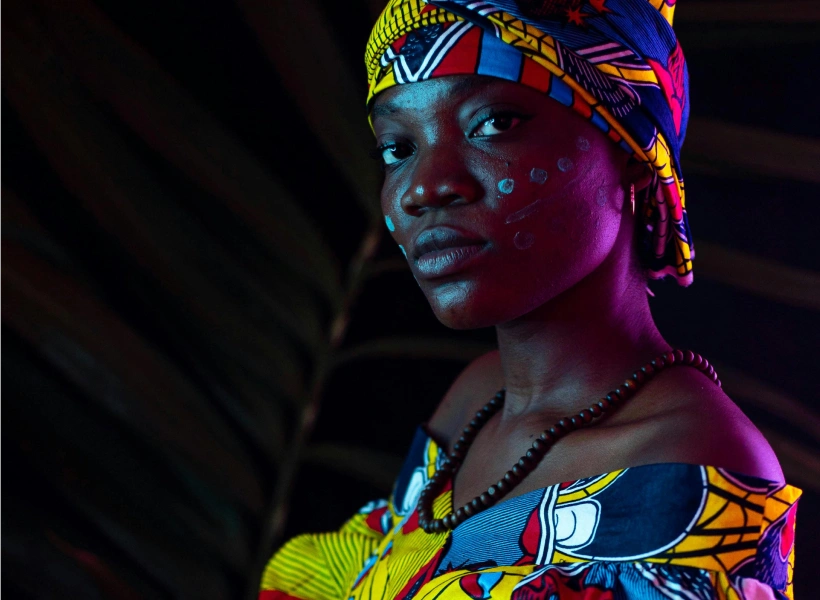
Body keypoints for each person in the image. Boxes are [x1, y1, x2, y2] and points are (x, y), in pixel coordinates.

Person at [260, 1, 801, 598]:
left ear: (633, 161)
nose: (423, 188)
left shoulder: (691, 470)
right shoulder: (474, 401)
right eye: (398, 148)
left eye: (494, 123)